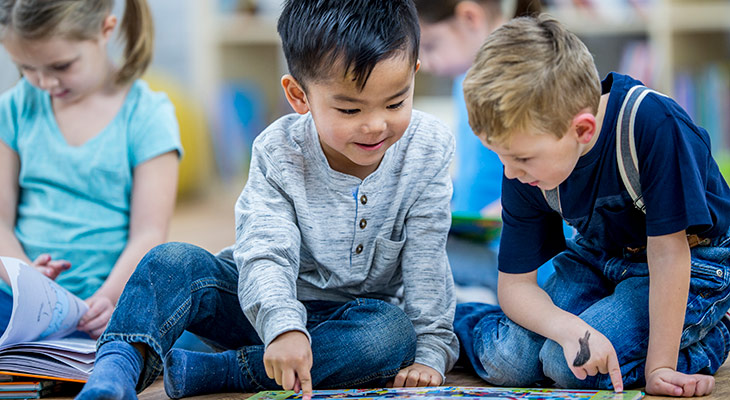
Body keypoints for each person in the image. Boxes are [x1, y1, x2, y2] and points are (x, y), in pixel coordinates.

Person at [75, 0, 458, 399]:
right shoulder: (278, 151)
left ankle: (222, 370)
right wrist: (282, 326)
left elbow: (428, 262)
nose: (376, 124)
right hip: (263, 305)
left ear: (414, 72)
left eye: (396, 103)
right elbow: (266, 251)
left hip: (351, 324)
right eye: (349, 108)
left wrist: (431, 353)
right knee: (171, 262)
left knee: (391, 334)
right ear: (299, 96)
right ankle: (114, 372)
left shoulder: (429, 149)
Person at [454, 14, 730, 397]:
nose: (512, 174)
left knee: (566, 367)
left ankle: (712, 335)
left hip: (687, 263)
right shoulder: (524, 156)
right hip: (598, 258)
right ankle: (447, 323)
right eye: (501, 158)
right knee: (511, 359)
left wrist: (660, 367)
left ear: (582, 130)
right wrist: (571, 329)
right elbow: (516, 286)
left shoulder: (652, 124)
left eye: (522, 160)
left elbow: (669, 255)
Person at [0, 0, 181, 339]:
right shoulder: (12, 109)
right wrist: (24, 276)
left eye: (61, 65)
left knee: (175, 316)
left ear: (105, 30)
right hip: (17, 299)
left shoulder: (148, 115)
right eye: (26, 67)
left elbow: (149, 233)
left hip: (111, 297)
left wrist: (108, 299)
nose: (44, 82)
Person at [413, 0, 550, 296]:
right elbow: (478, 173)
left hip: (516, 255)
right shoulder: (468, 75)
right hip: (483, 240)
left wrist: (502, 212)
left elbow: (555, 173)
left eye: (431, 45)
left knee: (402, 259)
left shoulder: (520, 76)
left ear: (470, 18)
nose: (424, 62)